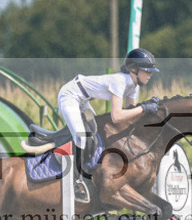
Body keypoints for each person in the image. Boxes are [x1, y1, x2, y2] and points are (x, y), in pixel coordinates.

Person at [57, 47, 160, 200]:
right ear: (133, 69)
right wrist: (143, 108)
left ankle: (88, 171)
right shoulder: (120, 82)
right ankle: (74, 181)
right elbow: (117, 117)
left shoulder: (133, 85)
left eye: (151, 71)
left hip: (83, 99)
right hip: (70, 95)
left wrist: (147, 110)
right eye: (147, 70)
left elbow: (132, 112)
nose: (150, 75)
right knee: (82, 137)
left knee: (95, 132)